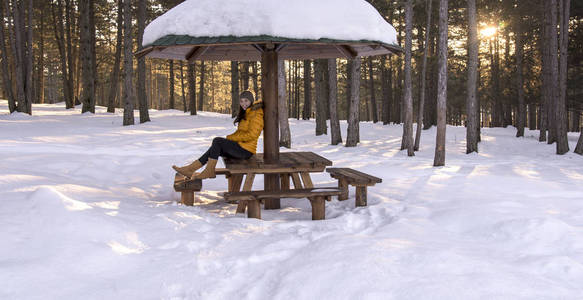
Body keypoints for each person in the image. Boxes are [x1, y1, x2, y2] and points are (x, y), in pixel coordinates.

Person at [172, 90, 264, 179]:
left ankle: (208, 170)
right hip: (241, 147)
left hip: (246, 150)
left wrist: (231, 138)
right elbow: (241, 133)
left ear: (251, 101)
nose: (243, 104)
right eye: (241, 101)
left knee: (217, 141)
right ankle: (190, 169)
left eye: (246, 101)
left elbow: (252, 135)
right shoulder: (247, 113)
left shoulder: (256, 114)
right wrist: (231, 139)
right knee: (215, 148)